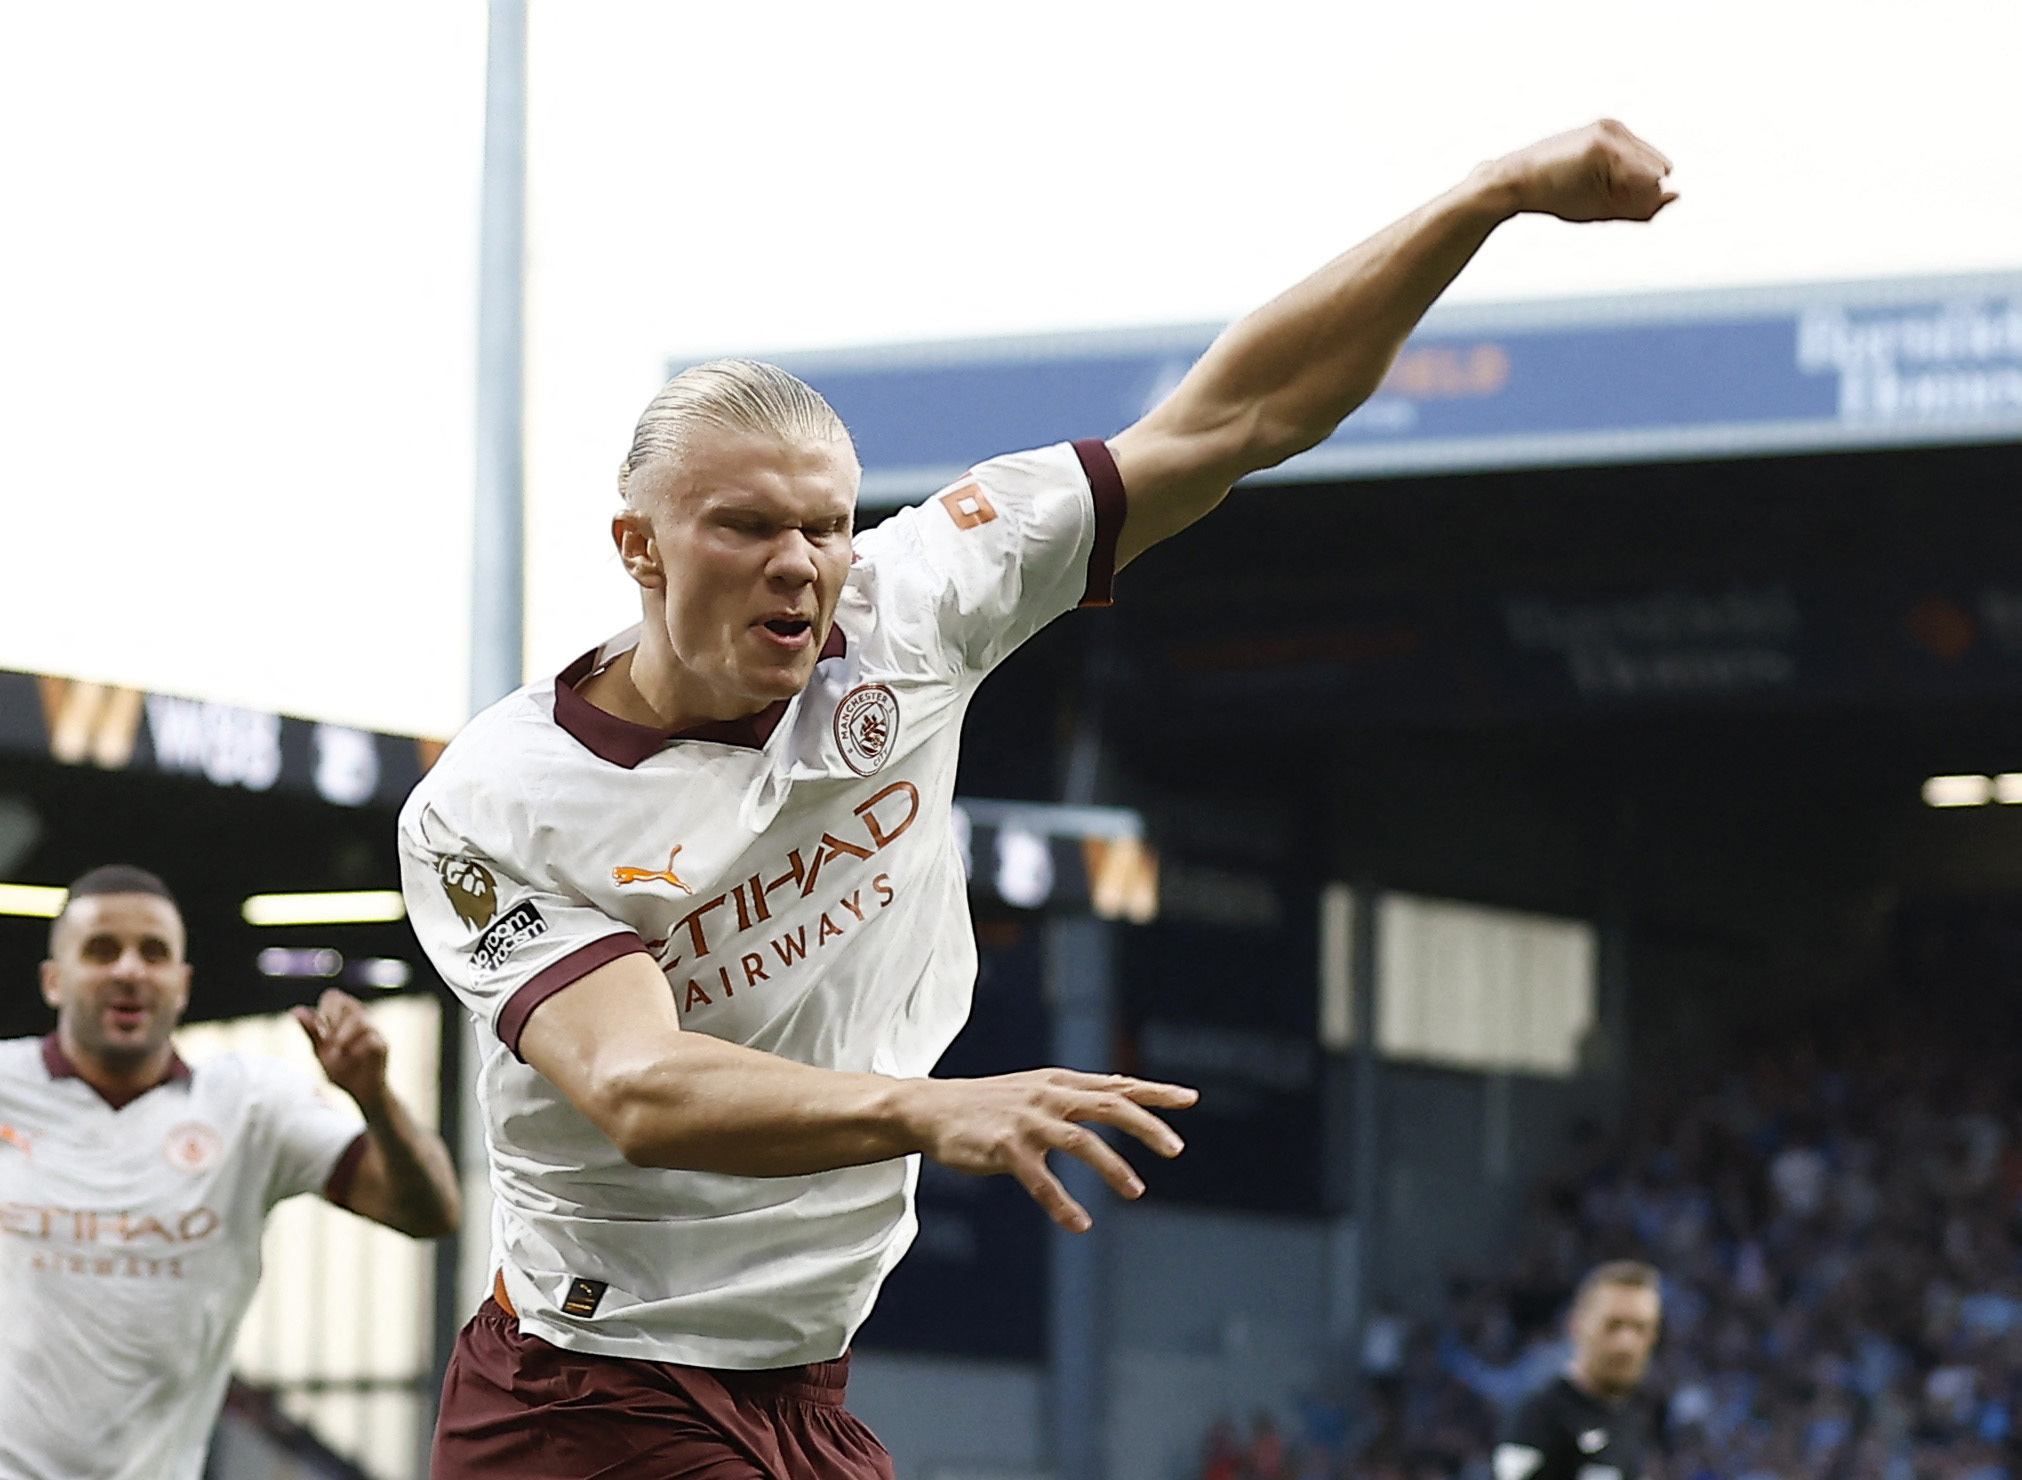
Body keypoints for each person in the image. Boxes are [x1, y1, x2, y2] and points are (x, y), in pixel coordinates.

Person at [400, 118, 1676, 1478]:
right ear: (637, 548)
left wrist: (1485, 196)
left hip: (804, 1395)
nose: (799, 563)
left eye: (824, 525)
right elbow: (637, 1086)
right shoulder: (496, 804)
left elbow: (1237, 416)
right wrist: (923, 1109)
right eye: (746, 526)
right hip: (589, 1400)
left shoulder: (918, 603)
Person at [0, 864, 461, 1480]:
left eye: (154, 953)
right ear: (54, 980)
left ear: (182, 984)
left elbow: (429, 1211)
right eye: (102, 950)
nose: (130, 970)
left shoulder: (251, 1106)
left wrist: (375, 1099)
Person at [1492, 1261, 1665, 1480]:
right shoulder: (1541, 1416)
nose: (1626, 1343)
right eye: (1613, 1325)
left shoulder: (1633, 1422)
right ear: (1576, 1325)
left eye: (1640, 1327)